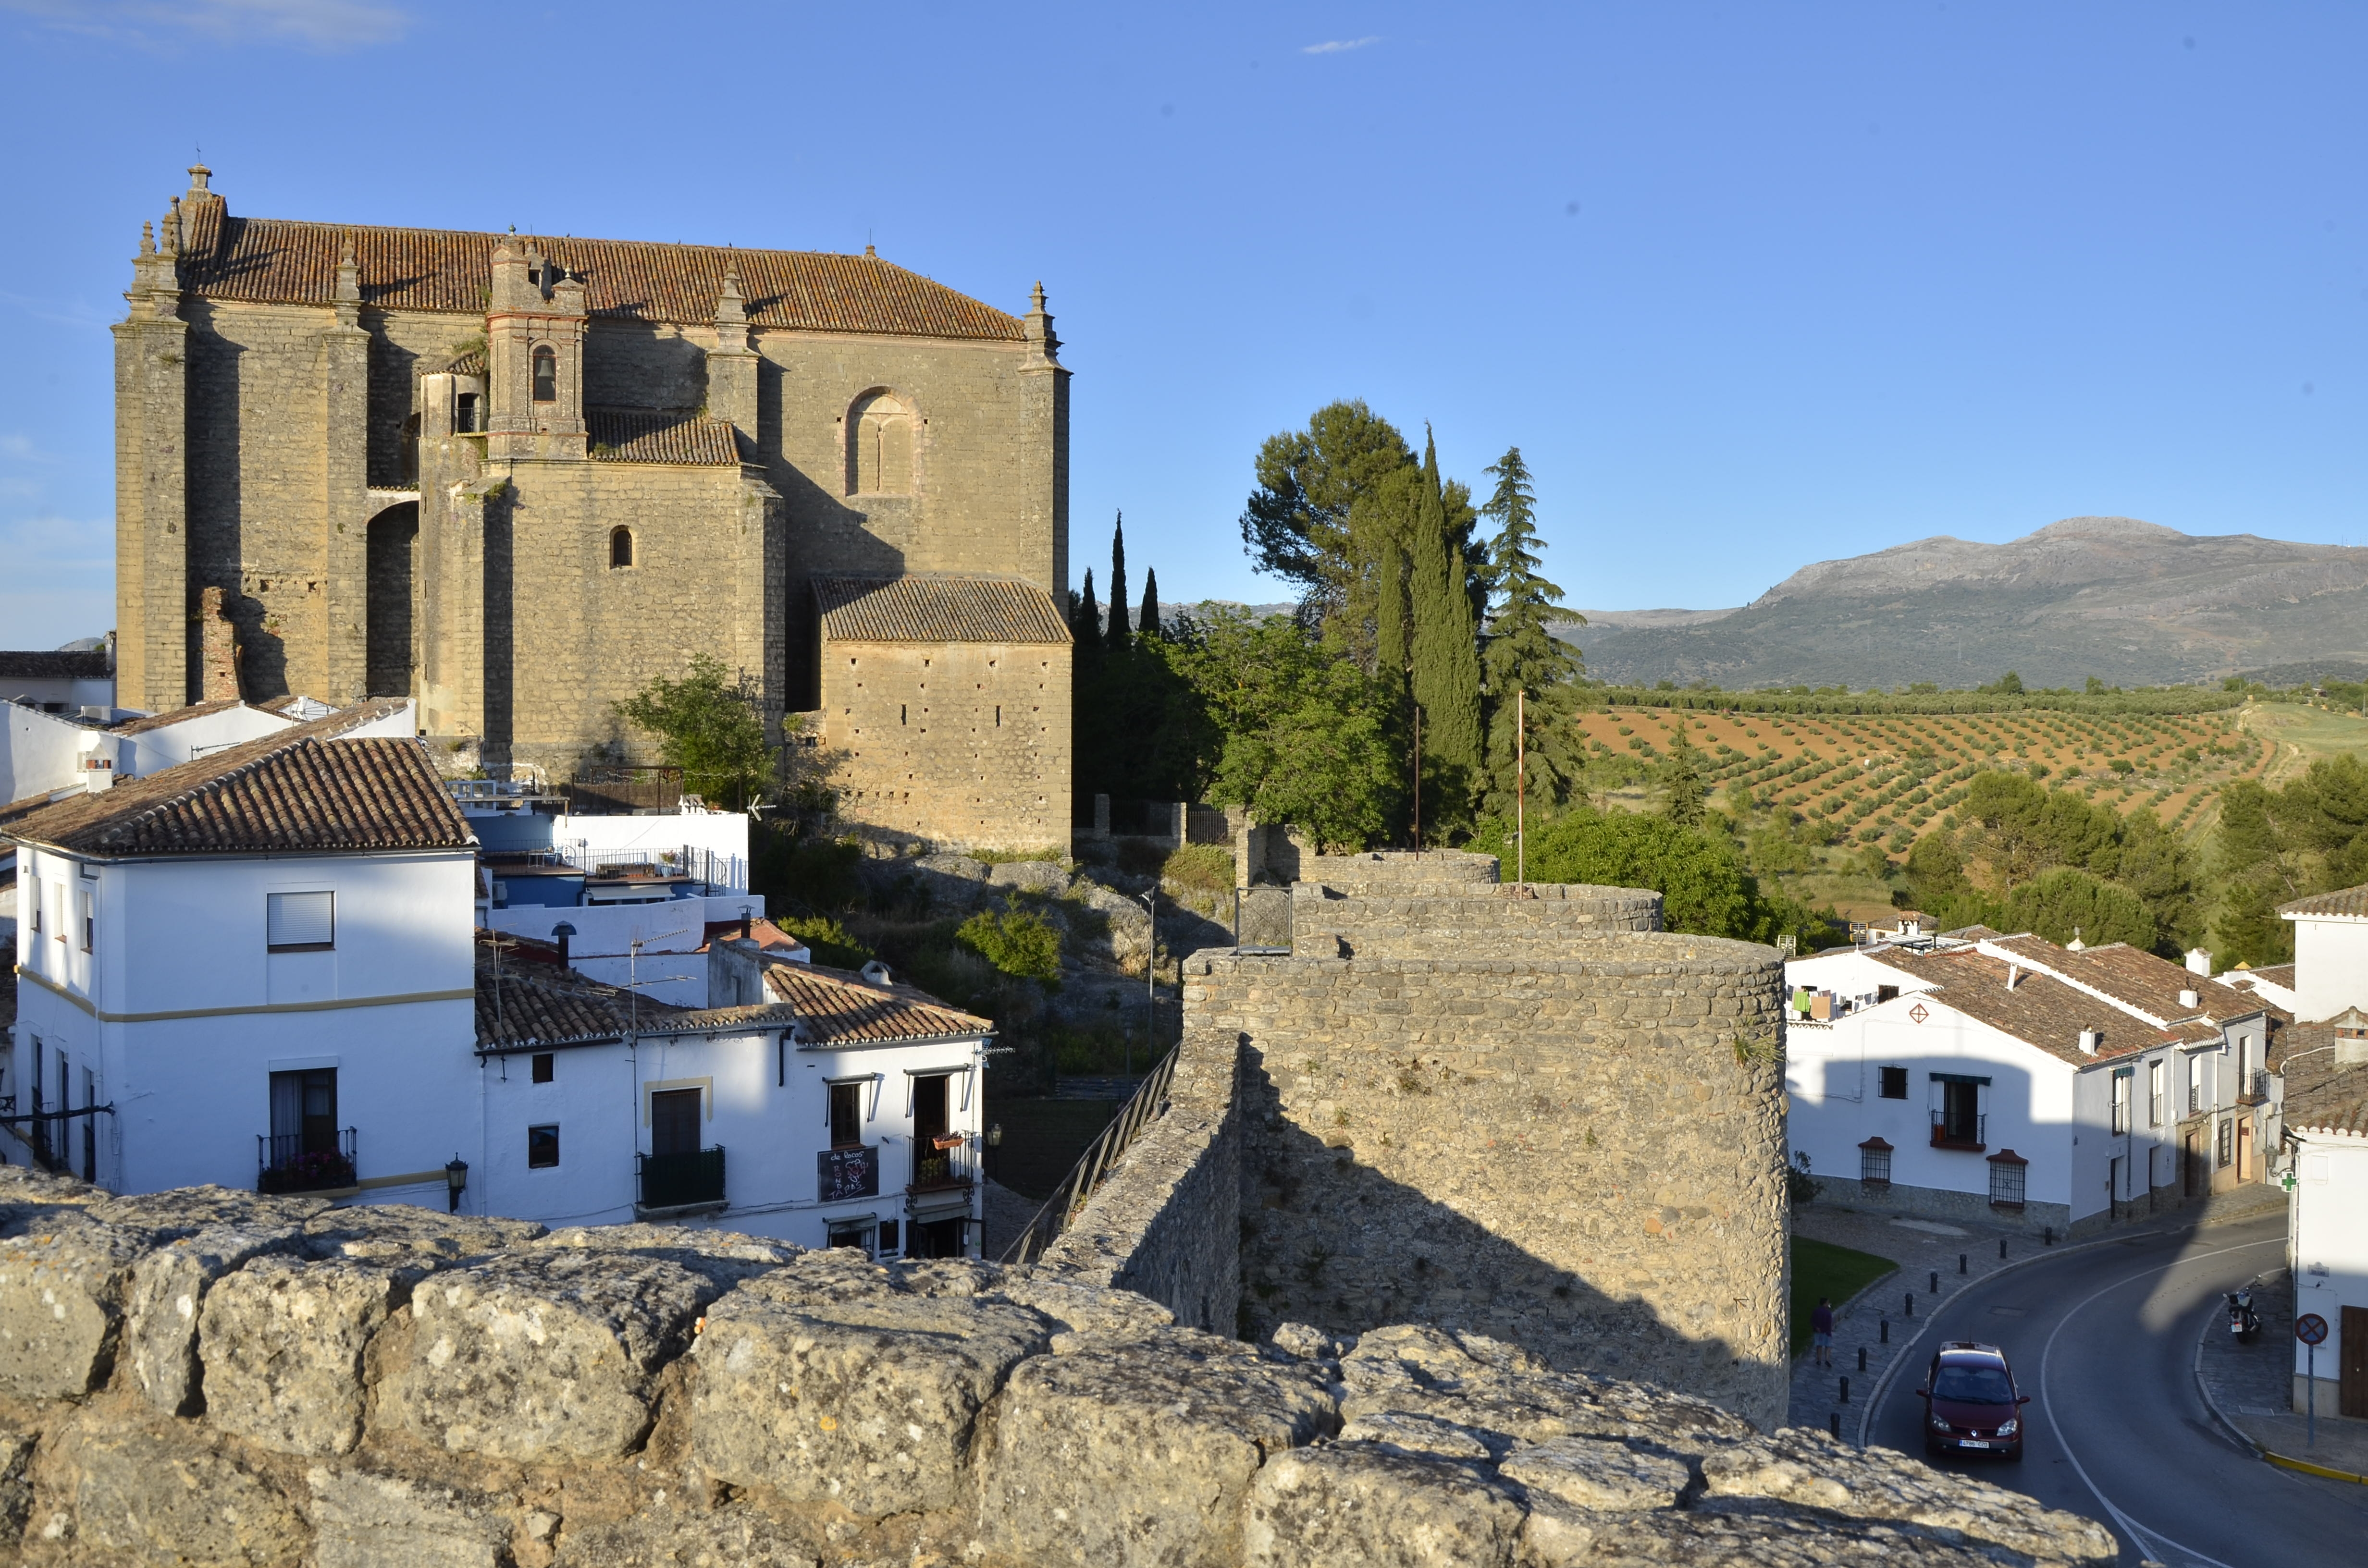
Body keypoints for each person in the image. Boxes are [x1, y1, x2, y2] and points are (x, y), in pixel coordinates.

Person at [1812, 1296, 1836, 1368]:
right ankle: (1827, 1360)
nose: (1829, 1304)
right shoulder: (1828, 1313)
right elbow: (1829, 1323)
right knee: (1828, 1346)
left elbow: (1812, 1321)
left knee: (1819, 1346)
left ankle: (1819, 1360)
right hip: (1826, 1332)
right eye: (1828, 1303)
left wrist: (1816, 1328)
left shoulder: (1816, 1311)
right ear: (1825, 1304)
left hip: (1818, 1331)